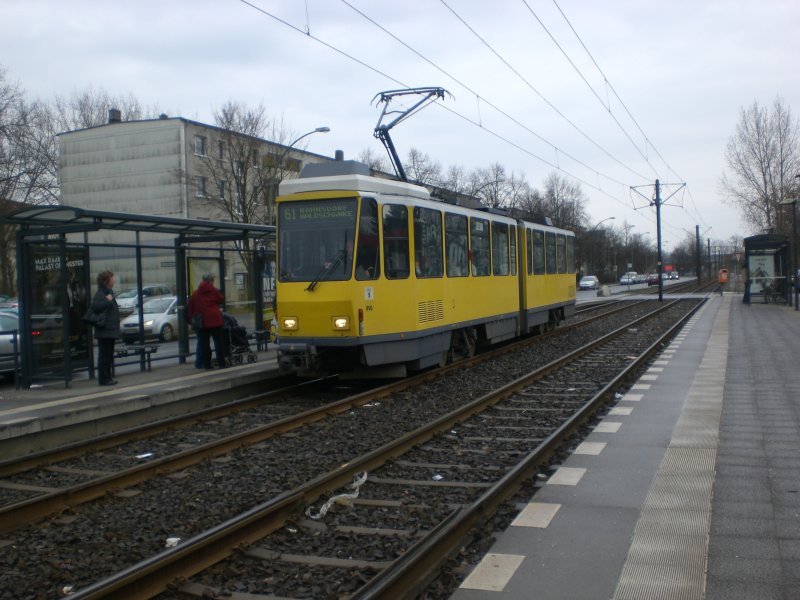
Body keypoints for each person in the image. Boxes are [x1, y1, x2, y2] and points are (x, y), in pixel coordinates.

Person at [188, 272, 225, 369]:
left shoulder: (195, 293)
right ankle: (222, 363)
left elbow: (191, 307)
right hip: (215, 320)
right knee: (218, 342)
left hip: (202, 322)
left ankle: (207, 365)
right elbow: (221, 299)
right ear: (211, 281)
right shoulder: (214, 290)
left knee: (204, 344)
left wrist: (191, 320)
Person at [91, 270, 121, 386]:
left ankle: (107, 377)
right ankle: (104, 379)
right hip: (105, 330)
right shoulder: (101, 293)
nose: (113, 280)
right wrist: (108, 301)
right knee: (104, 355)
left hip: (109, 329)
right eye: (112, 278)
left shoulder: (108, 292)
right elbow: (96, 307)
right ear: (107, 280)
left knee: (108, 355)